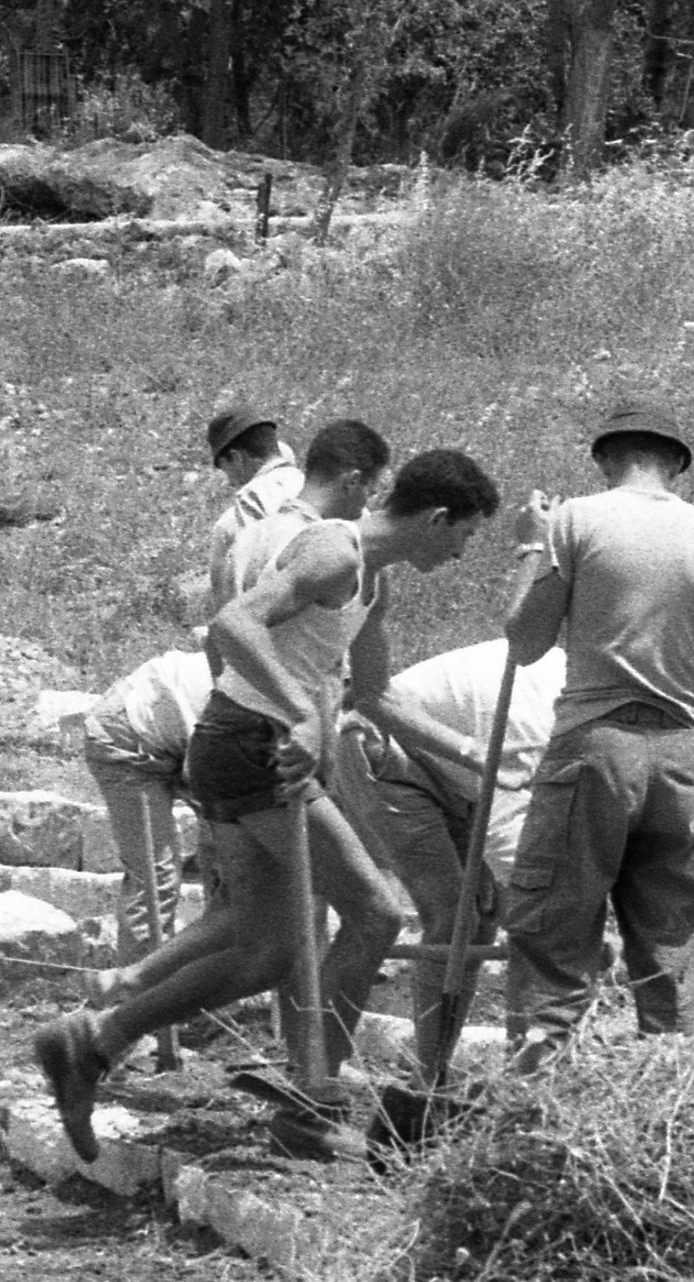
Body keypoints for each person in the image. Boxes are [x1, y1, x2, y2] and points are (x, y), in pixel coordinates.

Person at [36, 442, 503, 1161]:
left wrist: (472, 753)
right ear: (439, 518)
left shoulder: (371, 582)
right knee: (375, 913)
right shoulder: (333, 551)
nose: (466, 553)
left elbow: (375, 694)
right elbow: (235, 624)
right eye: (469, 534)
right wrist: (304, 712)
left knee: (265, 949)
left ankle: (95, 1039)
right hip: (249, 742)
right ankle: (311, 1098)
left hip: (247, 743)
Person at [482, 395, 694, 1054]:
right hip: (681, 758)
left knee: (552, 936)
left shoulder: (574, 520)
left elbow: (523, 639)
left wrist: (530, 545)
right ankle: (675, 1106)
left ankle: (535, 1113)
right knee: (669, 948)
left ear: (605, 457)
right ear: (675, 465)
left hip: (596, 748)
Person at [349, 621, 567, 1090]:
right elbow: (513, 846)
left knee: (489, 918)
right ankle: (435, 1079)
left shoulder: (577, 706)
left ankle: (502, 1073)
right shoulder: (535, 721)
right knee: (457, 917)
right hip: (388, 754)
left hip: (458, 771)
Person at [79, 639, 211, 954]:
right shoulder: (250, 696)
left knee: (224, 864)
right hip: (123, 734)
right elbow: (202, 770)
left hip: (171, 732)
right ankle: (138, 991)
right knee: (156, 877)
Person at [202, 401, 307, 607]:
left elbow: (250, 578)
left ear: (236, 457)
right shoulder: (313, 484)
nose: (231, 481)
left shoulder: (252, 498)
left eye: (226, 469)